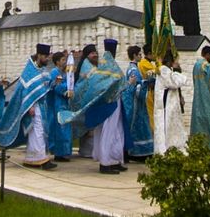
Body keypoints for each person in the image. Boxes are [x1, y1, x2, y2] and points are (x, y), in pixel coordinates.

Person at [0, 43, 61, 169]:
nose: (47, 59)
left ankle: (32, 158)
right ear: (39, 55)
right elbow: (24, 91)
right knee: (37, 132)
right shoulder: (29, 71)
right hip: (33, 106)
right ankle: (41, 160)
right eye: (46, 57)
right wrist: (29, 106)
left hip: (42, 106)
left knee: (39, 132)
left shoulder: (43, 70)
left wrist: (54, 83)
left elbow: (45, 86)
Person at [74, 40, 128, 173]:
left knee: (117, 132)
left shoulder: (106, 64)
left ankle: (115, 159)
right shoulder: (106, 65)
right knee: (108, 133)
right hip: (108, 104)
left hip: (115, 102)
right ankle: (105, 163)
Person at [121, 45, 156, 161]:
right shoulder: (133, 70)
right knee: (138, 127)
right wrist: (148, 82)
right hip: (135, 104)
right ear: (135, 55)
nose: (141, 56)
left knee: (141, 127)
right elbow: (135, 88)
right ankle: (138, 152)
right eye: (139, 54)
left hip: (138, 103)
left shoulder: (133, 68)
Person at [154, 50, 190, 154]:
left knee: (173, 127)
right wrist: (178, 70)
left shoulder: (167, 70)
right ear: (170, 61)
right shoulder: (164, 70)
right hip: (166, 105)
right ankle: (167, 150)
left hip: (171, 103)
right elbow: (174, 82)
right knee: (168, 128)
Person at [47, 47, 76, 161]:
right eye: (63, 60)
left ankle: (64, 151)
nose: (65, 62)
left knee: (65, 127)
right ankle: (59, 153)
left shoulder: (63, 73)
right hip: (57, 104)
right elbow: (57, 87)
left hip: (64, 103)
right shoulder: (55, 72)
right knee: (60, 128)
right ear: (58, 61)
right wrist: (67, 90)